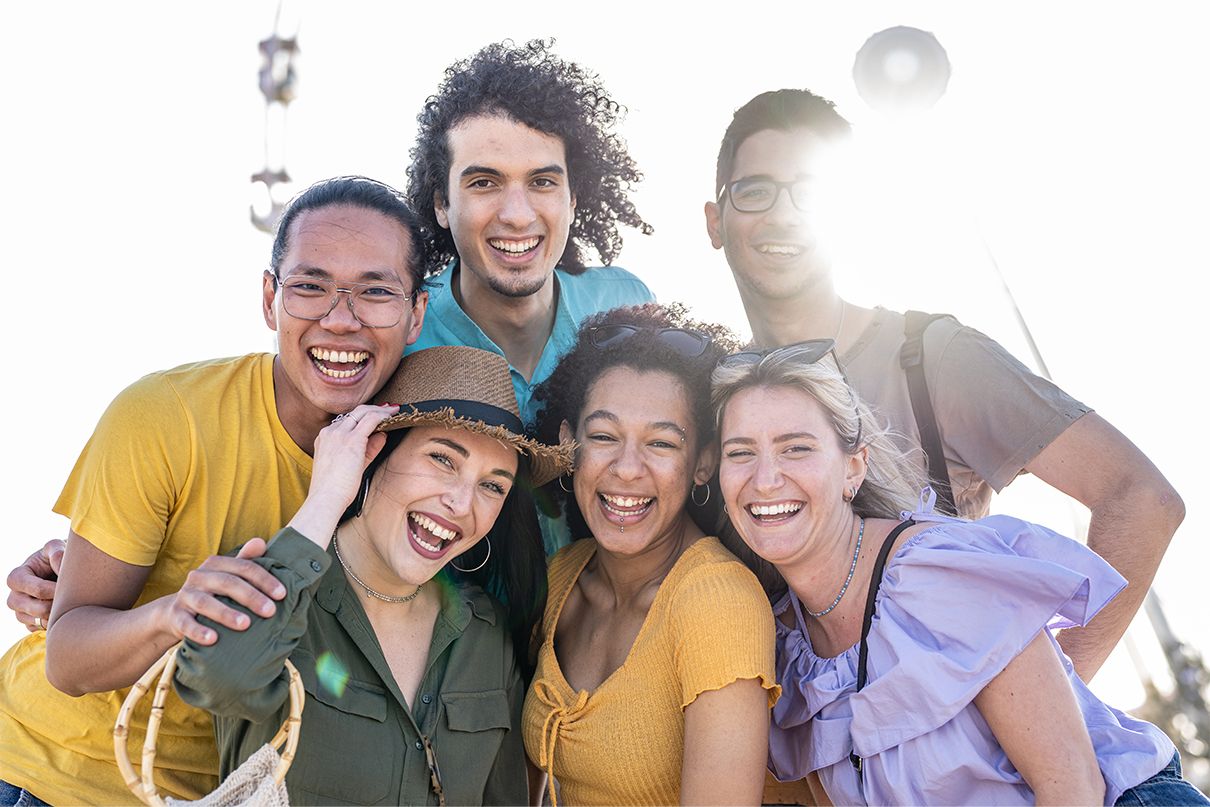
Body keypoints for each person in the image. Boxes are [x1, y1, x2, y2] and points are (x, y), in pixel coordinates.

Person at [703, 87, 1184, 682]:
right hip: (826, 766)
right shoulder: (716, 393)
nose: (783, 214)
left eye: (811, 192)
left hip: (957, 768)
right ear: (714, 221)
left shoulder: (933, 359)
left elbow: (1142, 498)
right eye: (755, 191)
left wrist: (1041, 708)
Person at [0, 176, 430, 805]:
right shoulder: (166, 415)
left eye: (376, 293)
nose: (342, 320)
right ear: (268, 299)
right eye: (309, 287)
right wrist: (172, 613)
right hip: (49, 774)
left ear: (416, 313)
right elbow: (67, 656)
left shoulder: (421, 463)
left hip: (228, 792)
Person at [710, 339, 1208, 806]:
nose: (766, 478)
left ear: (853, 469)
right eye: (741, 452)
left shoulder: (938, 571)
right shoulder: (784, 646)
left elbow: (1072, 785)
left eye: (796, 447)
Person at [172, 346, 569, 806]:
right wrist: (327, 496)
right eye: (442, 459)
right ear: (373, 455)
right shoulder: (275, 584)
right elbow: (216, 676)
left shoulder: (486, 633)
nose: (462, 504)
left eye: (493, 485)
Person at [522, 304, 779, 806]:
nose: (626, 469)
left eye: (661, 443)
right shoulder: (560, 577)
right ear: (568, 444)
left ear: (703, 463)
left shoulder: (717, 602)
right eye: (603, 437)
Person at [405, 39, 655, 430]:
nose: (518, 216)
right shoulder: (400, 333)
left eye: (541, 181)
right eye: (485, 183)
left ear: (573, 198)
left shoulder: (628, 304)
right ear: (441, 203)